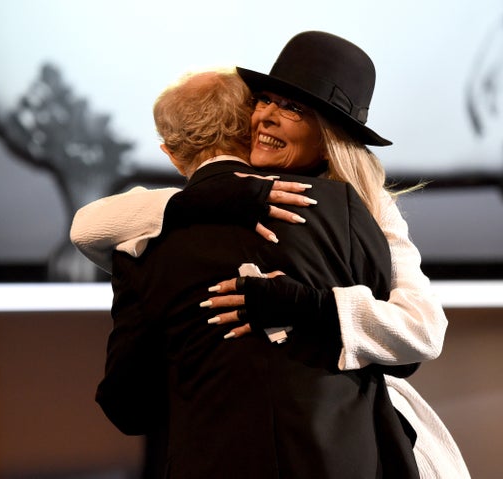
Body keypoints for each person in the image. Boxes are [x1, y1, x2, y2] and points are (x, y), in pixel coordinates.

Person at [73, 31, 469, 478]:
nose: (267, 118)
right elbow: (86, 225)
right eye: (265, 100)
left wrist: (305, 305)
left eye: (294, 108)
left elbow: (421, 332)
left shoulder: (368, 208)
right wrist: (217, 197)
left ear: (329, 136)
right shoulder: (192, 211)